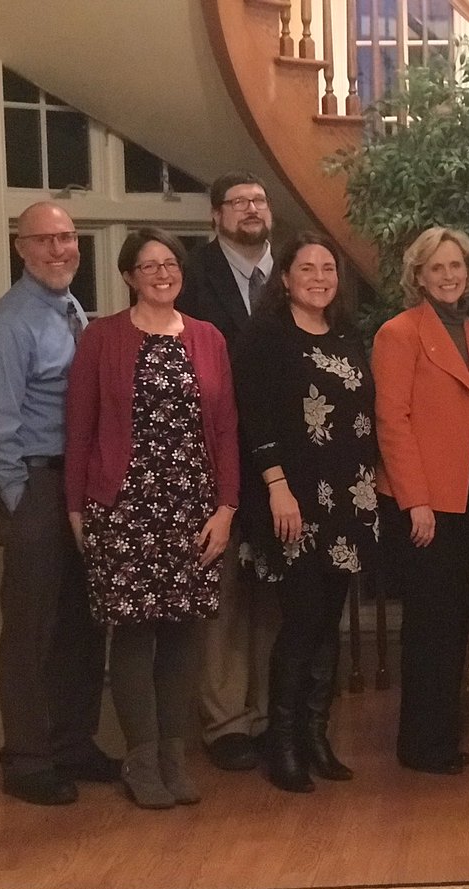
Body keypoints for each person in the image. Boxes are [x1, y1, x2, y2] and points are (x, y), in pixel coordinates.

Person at [65, 228, 239, 808]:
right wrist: (74, 508)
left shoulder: (209, 338)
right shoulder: (102, 338)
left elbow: (224, 429)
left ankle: (173, 755)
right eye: (148, 266)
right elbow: (81, 430)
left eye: (170, 264)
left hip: (194, 505)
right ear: (129, 276)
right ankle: (141, 762)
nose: (162, 273)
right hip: (125, 506)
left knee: (184, 634)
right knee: (136, 634)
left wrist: (227, 508)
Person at [0, 202, 118, 805]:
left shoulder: (69, 309)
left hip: (78, 486)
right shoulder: (9, 324)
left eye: (68, 237)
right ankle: (28, 758)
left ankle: (72, 743)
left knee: (83, 623)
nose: (61, 249)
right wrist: (18, 502)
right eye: (47, 240)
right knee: (33, 629)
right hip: (34, 487)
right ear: (22, 248)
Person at [233, 232, 380, 793]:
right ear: (286, 278)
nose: (320, 277)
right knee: (302, 622)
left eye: (328, 267)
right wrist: (277, 488)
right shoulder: (265, 337)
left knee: (328, 624)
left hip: (349, 500)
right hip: (293, 502)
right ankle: (283, 742)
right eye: (307, 268)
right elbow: (256, 419)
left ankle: (317, 736)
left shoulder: (346, 336)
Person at [373, 226, 469, 775]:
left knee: (451, 619)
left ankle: (442, 735)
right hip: (423, 501)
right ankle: (421, 744)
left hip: (462, 493)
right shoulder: (399, 333)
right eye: (437, 267)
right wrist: (415, 500)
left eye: (456, 266)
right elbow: (391, 421)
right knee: (428, 624)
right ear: (417, 275)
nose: (449, 275)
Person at [176, 172, 281, 772]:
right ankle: (226, 724)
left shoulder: (295, 274)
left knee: (275, 594)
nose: (250, 209)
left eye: (259, 200)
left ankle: (269, 713)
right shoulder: (189, 275)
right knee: (221, 597)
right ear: (216, 216)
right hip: (213, 458)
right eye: (238, 203)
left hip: (284, 463)